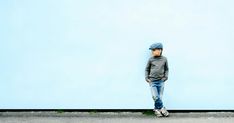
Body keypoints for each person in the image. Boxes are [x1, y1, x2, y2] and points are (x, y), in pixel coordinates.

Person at [145, 42, 169, 117]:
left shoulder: (164, 59)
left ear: (160, 50)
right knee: (155, 97)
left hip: (161, 81)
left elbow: (166, 69)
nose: (152, 52)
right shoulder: (151, 59)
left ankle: (156, 109)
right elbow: (147, 69)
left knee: (159, 97)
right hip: (152, 81)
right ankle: (162, 108)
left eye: (153, 50)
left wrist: (165, 77)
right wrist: (147, 78)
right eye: (151, 50)